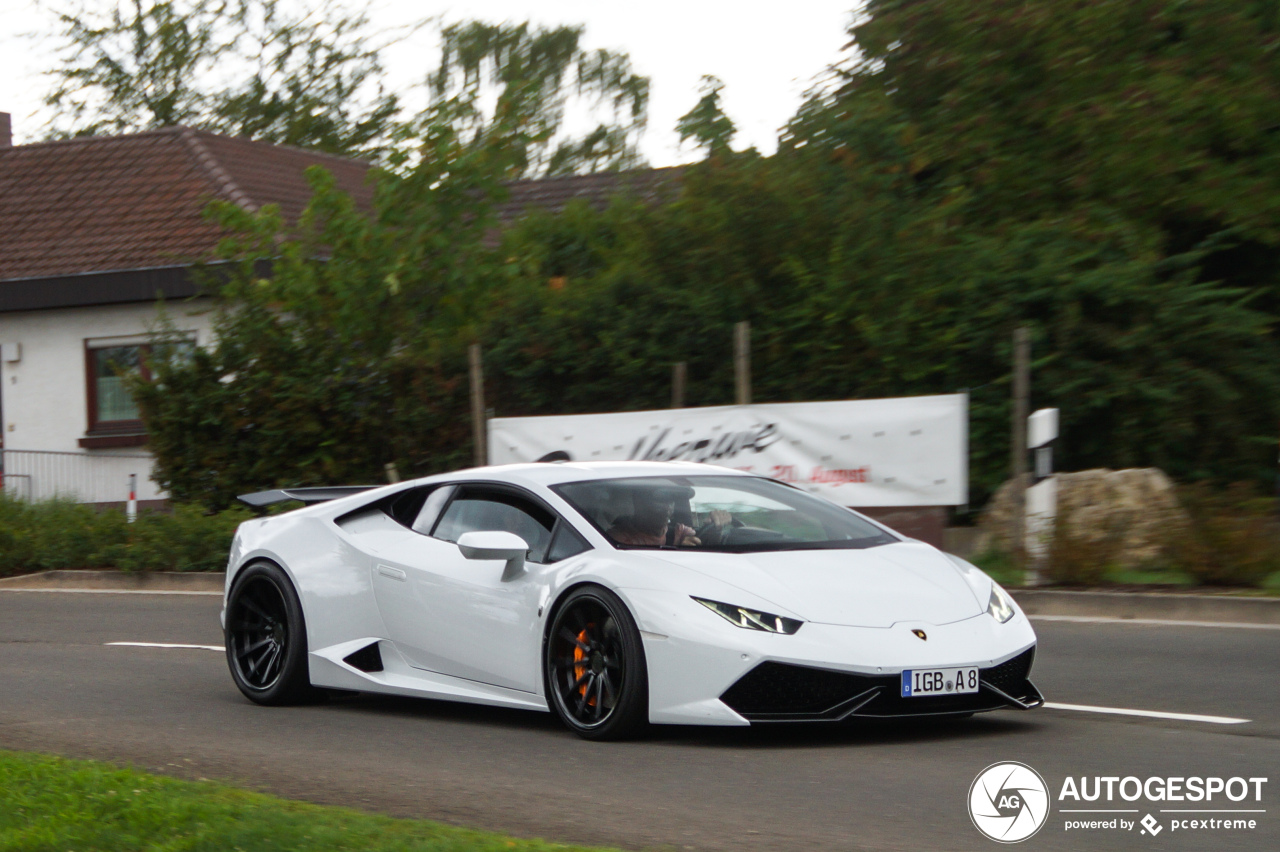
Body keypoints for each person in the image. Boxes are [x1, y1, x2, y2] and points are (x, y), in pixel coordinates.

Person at [608, 485, 730, 547]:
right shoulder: (618, 539)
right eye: (660, 500)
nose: (667, 507)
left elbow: (698, 539)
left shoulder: (679, 531)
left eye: (671, 501)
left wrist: (714, 528)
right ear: (640, 504)